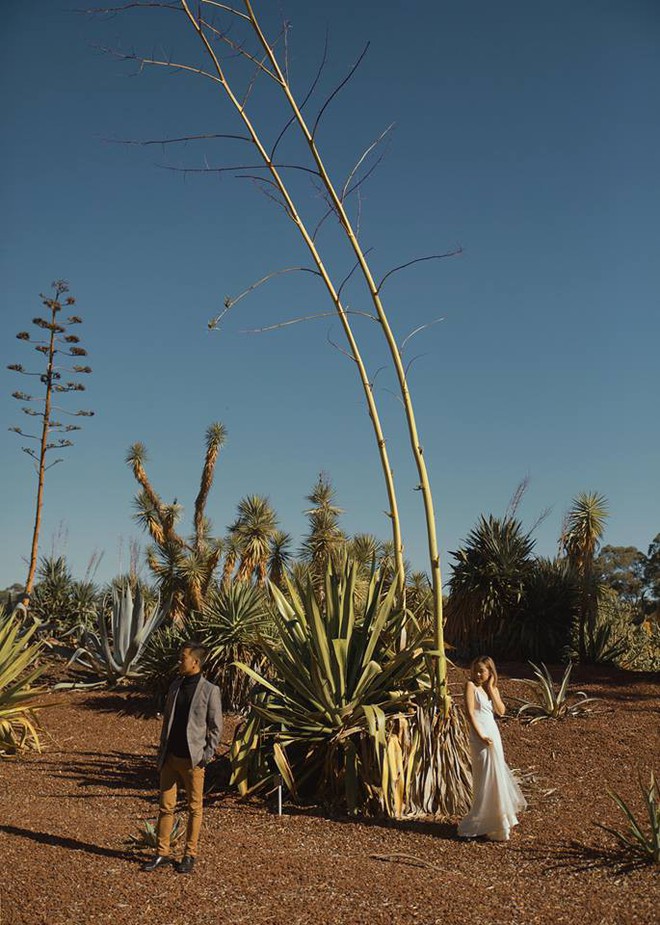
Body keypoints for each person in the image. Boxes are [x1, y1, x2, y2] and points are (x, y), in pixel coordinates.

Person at [143, 642, 222, 874]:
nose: (180, 661)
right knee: (165, 807)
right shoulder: (175, 686)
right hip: (170, 758)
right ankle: (162, 853)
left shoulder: (210, 690)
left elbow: (216, 728)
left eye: (183, 658)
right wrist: (162, 752)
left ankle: (190, 855)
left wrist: (206, 756)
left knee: (194, 808)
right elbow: (168, 721)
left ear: (195, 662)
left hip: (193, 760)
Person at [457, 655, 526, 842]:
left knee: (496, 778)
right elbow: (470, 713)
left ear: (490, 672)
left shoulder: (490, 688)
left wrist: (492, 689)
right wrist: (480, 735)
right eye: (476, 670)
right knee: (484, 778)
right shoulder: (470, 686)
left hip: (493, 735)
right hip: (480, 736)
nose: (478, 674)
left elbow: (501, 711)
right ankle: (478, 821)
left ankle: (498, 825)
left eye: (482, 671)